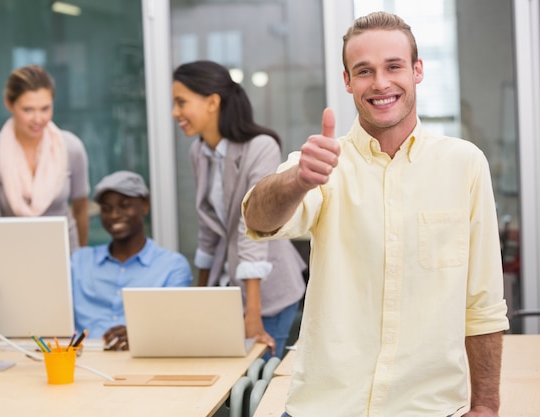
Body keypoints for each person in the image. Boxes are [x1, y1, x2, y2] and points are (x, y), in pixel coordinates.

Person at [242, 11, 509, 417]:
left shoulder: (464, 164)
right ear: (347, 81)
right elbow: (258, 220)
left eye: (394, 66)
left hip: (429, 408)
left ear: (417, 70)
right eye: (364, 71)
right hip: (325, 407)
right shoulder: (322, 164)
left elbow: (483, 301)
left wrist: (487, 404)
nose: (381, 83)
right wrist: (297, 180)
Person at [172, 60, 306, 359]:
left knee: (258, 385)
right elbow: (209, 228)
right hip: (230, 293)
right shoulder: (199, 152)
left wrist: (253, 314)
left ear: (212, 102)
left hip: (269, 293)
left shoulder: (260, 146)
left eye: (181, 102)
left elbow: (253, 229)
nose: (175, 113)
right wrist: (201, 296)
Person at [0, 65, 90, 252]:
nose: (38, 119)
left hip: (65, 253)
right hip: (12, 255)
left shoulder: (71, 148)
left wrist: (82, 260)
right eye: (28, 110)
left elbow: (81, 209)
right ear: (9, 105)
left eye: (45, 108)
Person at [71, 170, 193, 350]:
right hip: (79, 363)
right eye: (106, 209)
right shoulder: (78, 262)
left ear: (145, 205)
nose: (114, 215)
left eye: (124, 205)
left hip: (142, 362)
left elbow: (175, 328)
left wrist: (140, 336)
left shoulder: (172, 266)